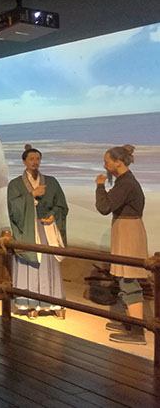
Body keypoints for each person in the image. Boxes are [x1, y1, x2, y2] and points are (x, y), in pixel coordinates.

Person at [7, 145, 68, 319]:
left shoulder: (51, 182)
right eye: (31, 159)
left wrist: (53, 214)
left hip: (47, 229)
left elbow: (61, 205)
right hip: (27, 229)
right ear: (24, 162)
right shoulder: (15, 184)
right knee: (30, 264)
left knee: (49, 264)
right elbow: (13, 208)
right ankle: (30, 303)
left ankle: (54, 303)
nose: (35, 162)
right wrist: (31, 195)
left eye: (38, 159)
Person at [96, 144, 148, 345]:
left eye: (107, 161)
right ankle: (130, 322)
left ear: (118, 162)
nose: (104, 165)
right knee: (125, 277)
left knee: (129, 279)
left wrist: (100, 186)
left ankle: (137, 331)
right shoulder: (125, 181)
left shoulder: (126, 183)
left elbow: (104, 207)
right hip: (126, 230)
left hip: (129, 233)